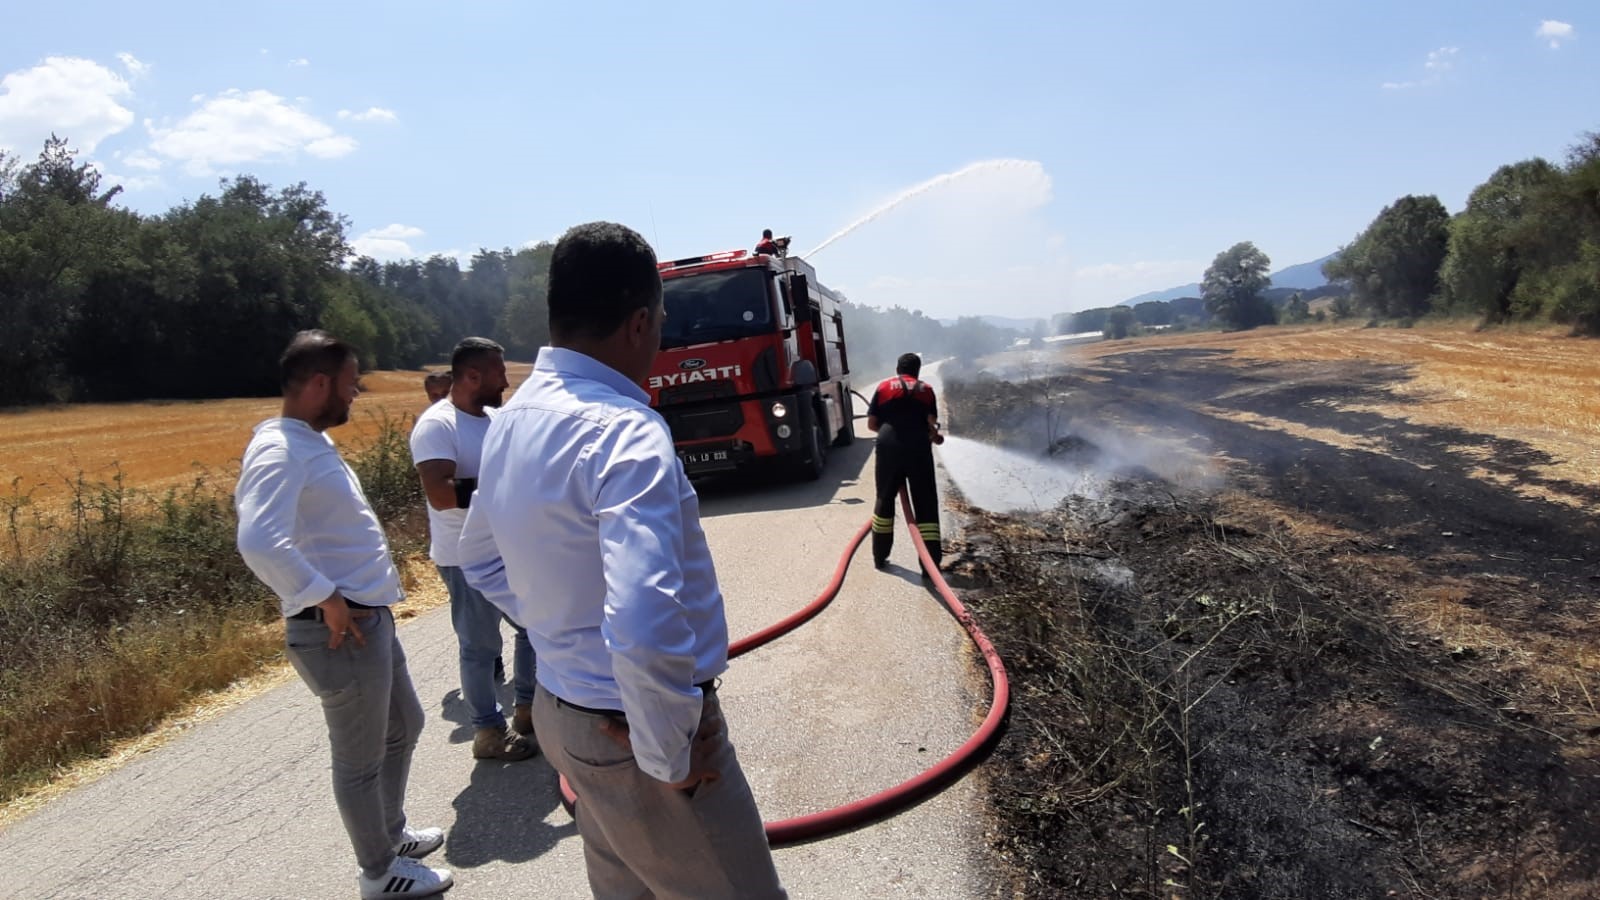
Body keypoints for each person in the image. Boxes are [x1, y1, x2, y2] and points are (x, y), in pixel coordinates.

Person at [459, 222, 786, 900]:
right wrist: (667, 755)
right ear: (641, 322)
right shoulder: (625, 432)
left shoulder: (513, 421)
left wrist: (560, 629)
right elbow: (642, 621)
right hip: (637, 732)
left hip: (565, 714)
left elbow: (481, 561)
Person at [235, 330, 452, 899]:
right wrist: (323, 596)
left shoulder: (307, 442)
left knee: (403, 726)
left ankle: (391, 834)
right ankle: (379, 872)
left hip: (365, 620)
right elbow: (259, 539)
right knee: (359, 760)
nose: (355, 395)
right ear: (319, 383)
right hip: (338, 629)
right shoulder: (280, 449)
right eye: (351, 385)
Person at [409, 337, 538, 761]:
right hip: (464, 556)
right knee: (481, 647)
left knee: (534, 628)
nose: (506, 380)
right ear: (472, 375)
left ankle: (528, 710)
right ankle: (487, 732)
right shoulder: (438, 425)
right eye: (499, 372)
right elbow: (441, 494)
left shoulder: (494, 419)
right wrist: (501, 487)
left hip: (508, 549)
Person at [866, 352, 945, 576]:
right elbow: (932, 426)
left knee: (884, 500)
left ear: (898, 368)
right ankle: (931, 566)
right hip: (918, 448)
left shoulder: (883, 388)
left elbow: (872, 424)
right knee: (925, 502)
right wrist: (932, 435)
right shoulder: (927, 390)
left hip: (888, 446)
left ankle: (880, 557)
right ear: (918, 370)